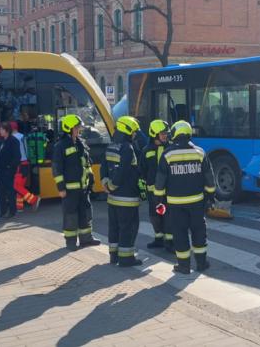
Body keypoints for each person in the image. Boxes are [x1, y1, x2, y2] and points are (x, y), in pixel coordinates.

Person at [154, 120, 216, 274]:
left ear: (174, 134)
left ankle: (183, 266)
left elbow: (160, 182)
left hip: (175, 204)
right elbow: (210, 179)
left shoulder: (167, 154)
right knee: (199, 232)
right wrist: (210, 197)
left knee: (180, 234)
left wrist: (158, 201)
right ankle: (201, 263)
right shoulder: (200, 152)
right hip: (197, 202)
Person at [52, 114, 100, 251]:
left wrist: (91, 180)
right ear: (69, 128)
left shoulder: (81, 144)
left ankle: (86, 239)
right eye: (77, 127)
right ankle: (71, 242)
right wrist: (61, 188)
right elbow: (56, 168)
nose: (79, 130)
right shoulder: (60, 146)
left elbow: (86, 164)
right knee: (71, 215)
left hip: (83, 188)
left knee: (86, 213)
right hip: (69, 189)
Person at [101, 116, 144, 266]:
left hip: (112, 198)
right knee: (129, 228)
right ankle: (126, 258)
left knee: (114, 226)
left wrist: (106, 183)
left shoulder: (112, 145)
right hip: (127, 197)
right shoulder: (127, 148)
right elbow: (123, 171)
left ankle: (114, 256)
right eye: (133, 132)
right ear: (127, 131)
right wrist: (113, 185)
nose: (134, 135)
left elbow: (103, 166)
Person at [143, 119, 172, 251]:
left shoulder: (171, 148)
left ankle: (170, 242)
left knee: (168, 215)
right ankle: (158, 238)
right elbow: (141, 170)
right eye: (162, 134)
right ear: (154, 134)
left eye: (166, 133)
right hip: (152, 191)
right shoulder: (146, 150)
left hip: (168, 191)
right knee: (155, 215)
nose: (165, 136)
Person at [0, 122, 22, 219]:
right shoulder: (1, 141)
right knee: (0, 190)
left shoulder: (14, 141)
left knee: (10, 191)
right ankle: (3, 210)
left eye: (1, 129)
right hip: (1, 170)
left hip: (8, 170)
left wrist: (10, 167)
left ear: (6, 130)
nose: (0, 131)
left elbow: (17, 157)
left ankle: (12, 210)